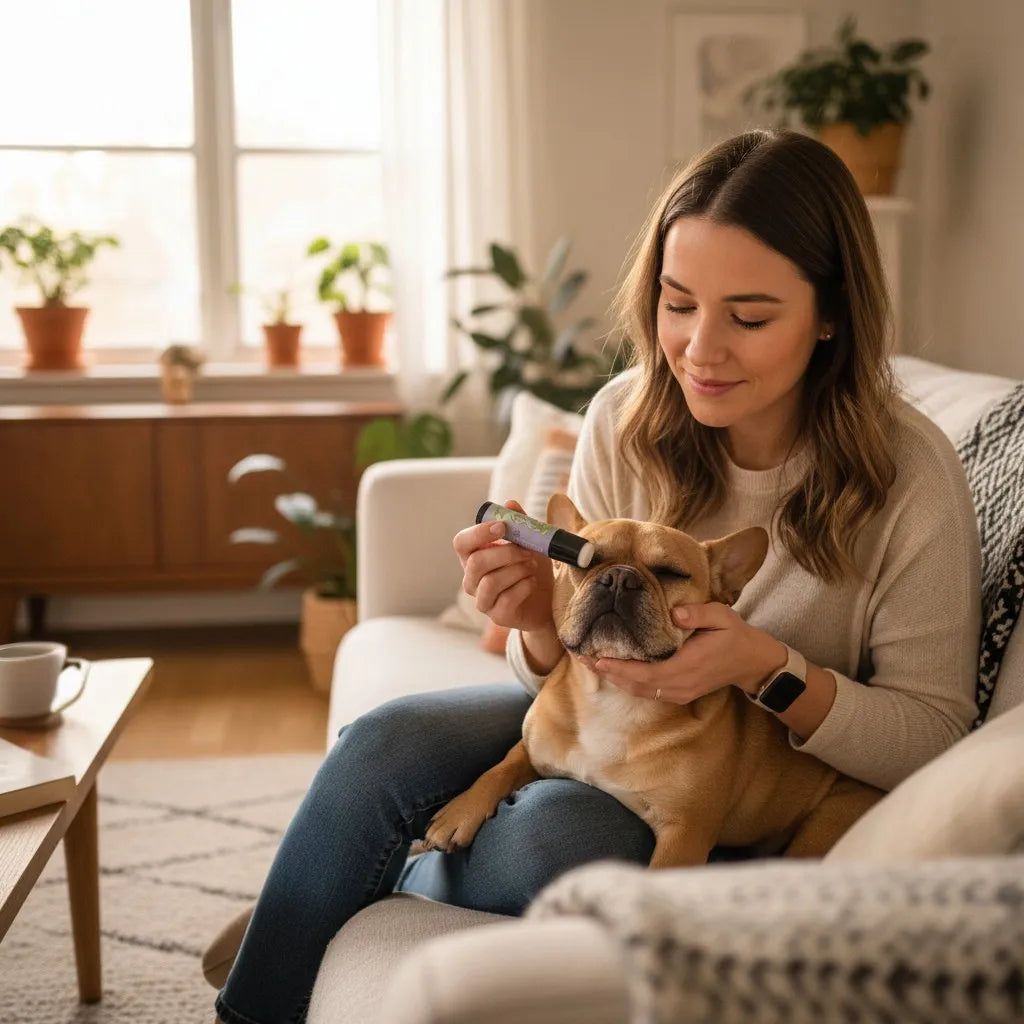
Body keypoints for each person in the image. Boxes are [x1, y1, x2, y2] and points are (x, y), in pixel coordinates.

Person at [210, 127, 981, 1024]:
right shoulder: (627, 416)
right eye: (678, 303)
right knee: (383, 742)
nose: (699, 349)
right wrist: (537, 616)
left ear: (831, 313)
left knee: (553, 835)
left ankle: (369, 877)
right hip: (604, 719)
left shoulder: (909, 477)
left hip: (731, 786)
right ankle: (254, 1005)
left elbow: (934, 739)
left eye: (751, 316)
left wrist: (764, 669)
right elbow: (556, 663)